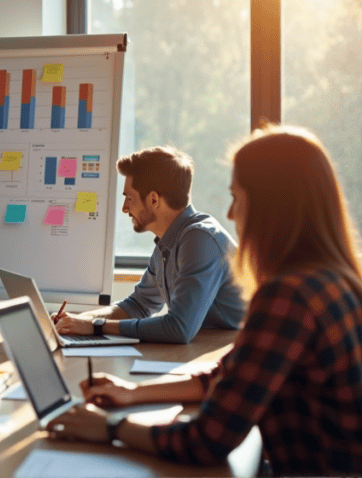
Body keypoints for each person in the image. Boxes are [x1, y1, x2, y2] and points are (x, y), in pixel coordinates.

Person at [52, 125, 362, 475]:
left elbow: (205, 440)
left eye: (236, 196)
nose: (230, 214)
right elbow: (223, 376)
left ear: (271, 204)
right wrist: (132, 393)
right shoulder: (333, 280)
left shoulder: (288, 297)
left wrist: (108, 429)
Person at [55, 146, 245, 343]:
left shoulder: (200, 239)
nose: (124, 208)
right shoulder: (168, 243)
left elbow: (178, 328)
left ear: (153, 199)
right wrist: (77, 320)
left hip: (235, 353)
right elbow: (138, 306)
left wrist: (95, 326)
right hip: (205, 348)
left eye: (129, 198)